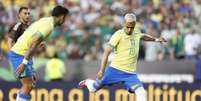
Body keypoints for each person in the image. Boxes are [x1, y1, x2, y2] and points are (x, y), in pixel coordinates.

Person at [78, 13, 167, 101]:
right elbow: (106, 52)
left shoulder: (136, 32)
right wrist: (101, 70)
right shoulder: (118, 35)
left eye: (131, 27)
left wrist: (156, 40)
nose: (129, 29)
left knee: (141, 93)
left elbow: (143, 36)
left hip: (130, 74)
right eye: (127, 27)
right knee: (94, 88)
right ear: (124, 23)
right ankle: (87, 82)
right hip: (115, 70)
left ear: (135, 25)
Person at [8, 5, 69, 101]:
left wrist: (38, 43)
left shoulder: (47, 20)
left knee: (31, 84)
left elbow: (33, 32)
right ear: (62, 16)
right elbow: (33, 42)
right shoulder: (48, 26)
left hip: (23, 52)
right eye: (66, 17)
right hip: (19, 53)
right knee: (27, 84)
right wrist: (24, 63)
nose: (65, 20)